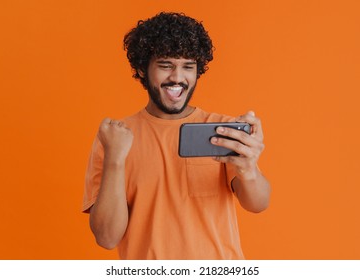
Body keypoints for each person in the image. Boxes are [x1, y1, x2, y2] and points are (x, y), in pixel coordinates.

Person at [82, 12, 271, 260]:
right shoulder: (115, 138)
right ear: (141, 69)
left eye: (188, 67)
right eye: (165, 65)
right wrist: (115, 158)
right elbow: (107, 238)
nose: (178, 78)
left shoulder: (223, 129)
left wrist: (248, 168)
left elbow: (257, 204)